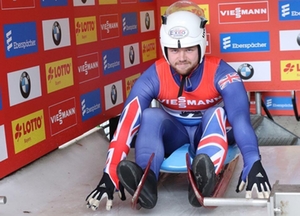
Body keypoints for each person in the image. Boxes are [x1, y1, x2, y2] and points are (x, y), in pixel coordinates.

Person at [86, 0, 271, 211]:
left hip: (210, 130)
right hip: (177, 133)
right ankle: (147, 180)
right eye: (174, 50)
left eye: (189, 49)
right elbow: (128, 120)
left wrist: (253, 161)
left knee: (216, 113)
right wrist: (109, 173)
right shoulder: (155, 75)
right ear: (165, 48)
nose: (181, 58)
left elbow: (240, 118)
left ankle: (205, 173)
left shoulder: (222, 72)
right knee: (150, 115)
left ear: (201, 46)